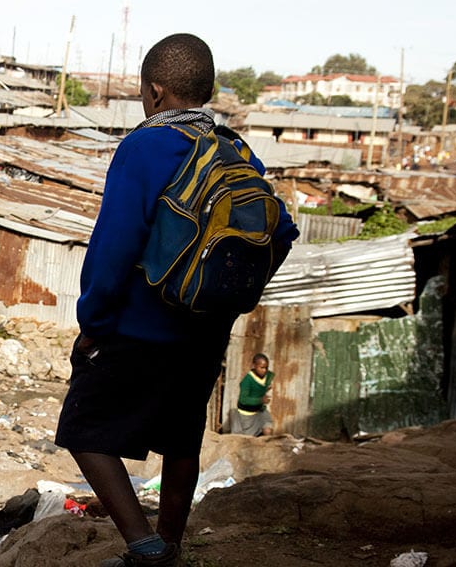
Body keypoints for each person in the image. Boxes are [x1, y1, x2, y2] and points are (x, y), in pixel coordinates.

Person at [53, 33, 298, 567]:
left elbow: (114, 244)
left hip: (141, 327)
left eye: (144, 93)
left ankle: (144, 548)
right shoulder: (236, 149)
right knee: (181, 436)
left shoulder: (144, 147)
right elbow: (281, 233)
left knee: (82, 428)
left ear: (156, 91)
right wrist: (229, 299)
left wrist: (92, 322)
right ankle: (172, 543)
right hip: (205, 332)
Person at [231, 353, 275, 436]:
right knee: (245, 439)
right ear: (254, 366)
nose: (264, 370)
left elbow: (258, 389)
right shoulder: (247, 380)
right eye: (261, 368)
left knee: (267, 428)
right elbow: (243, 400)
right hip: (246, 414)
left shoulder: (265, 376)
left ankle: (266, 446)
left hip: (259, 410)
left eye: (266, 368)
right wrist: (261, 400)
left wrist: (265, 389)